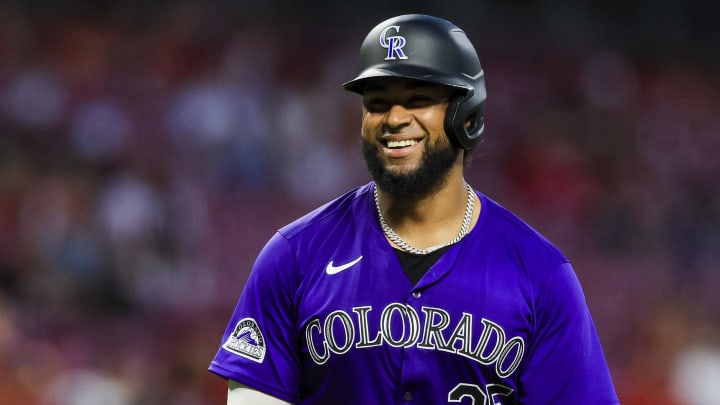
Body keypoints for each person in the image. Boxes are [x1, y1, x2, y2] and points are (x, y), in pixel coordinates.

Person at [209, 14, 619, 404]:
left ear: (468, 117)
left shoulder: (541, 275)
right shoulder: (295, 255)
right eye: (378, 103)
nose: (394, 119)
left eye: (419, 99)